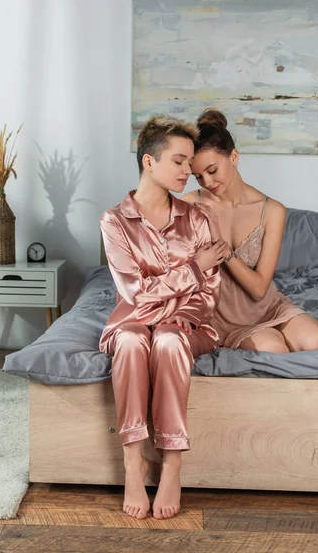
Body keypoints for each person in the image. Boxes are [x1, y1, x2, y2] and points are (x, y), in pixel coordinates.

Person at [99, 116, 223, 520]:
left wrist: (170, 314)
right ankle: (133, 462)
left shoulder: (198, 220)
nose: (189, 171)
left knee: (168, 339)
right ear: (149, 163)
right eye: (180, 161)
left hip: (190, 327)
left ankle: (172, 464)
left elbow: (208, 298)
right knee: (134, 340)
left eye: (190, 163)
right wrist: (192, 270)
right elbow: (134, 294)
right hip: (130, 324)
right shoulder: (114, 222)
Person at [182, 108, 318, 354]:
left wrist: (222, 246)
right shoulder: (189, 205)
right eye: (197, 177)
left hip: (265, 305)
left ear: (233, 156)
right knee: (274, 350)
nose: (207, 183)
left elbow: (259, 288)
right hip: (221, 316)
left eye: (212, 171)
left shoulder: (272, 210)